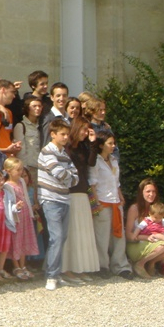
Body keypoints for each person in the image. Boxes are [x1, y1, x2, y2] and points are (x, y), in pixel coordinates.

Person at [38, 119, 79, 290]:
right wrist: (67, 176)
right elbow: (59, 173)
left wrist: (67, 176)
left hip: (64, 199)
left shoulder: (65, 154)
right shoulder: (47, 152)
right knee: (56, 237)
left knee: (61, 238)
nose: (65, 137)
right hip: (50, 199)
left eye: (67, 134)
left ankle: (52, 271)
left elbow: (76, 178)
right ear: (53, 134)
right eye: (62, 134)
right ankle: (52, 276)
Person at [88, 130, 132, 279]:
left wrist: (120, 196)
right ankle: (102, 266)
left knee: (119, 236)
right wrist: (96, 203)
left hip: (115, 201)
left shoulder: (113, 160)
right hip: (103, 202)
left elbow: (116, 181)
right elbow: (92, 183)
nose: (113, 146)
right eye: (110, 143)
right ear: (101, 145)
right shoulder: (95, 161)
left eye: (114, 143)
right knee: (102, 236)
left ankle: (121, 266)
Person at [61, 117, 100, 283]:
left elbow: (91, 163)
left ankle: (80, 267)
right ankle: (68, 269)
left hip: (83, 191)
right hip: (70, 192)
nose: (85, 133)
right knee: (72, 231)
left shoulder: (84, 147)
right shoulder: (67, 148)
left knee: (82, 231)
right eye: (83, 130)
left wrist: (93, 143)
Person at [4, 158, 39, 279]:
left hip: (24, 215)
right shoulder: (7, 186)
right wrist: (15, 208)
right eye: (17, 170)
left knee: (24, 239)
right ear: (8, 171)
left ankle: (23, 265)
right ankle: (16, 266)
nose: (20, 172)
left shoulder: (21, 182)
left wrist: (30, 213)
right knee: (16, 241)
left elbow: (26, 198)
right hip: (16, 217)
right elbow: (8, 203)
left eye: (21, 169)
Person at [13, 96, 43, 185]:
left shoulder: (41, 125)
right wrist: (24, 171)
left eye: (39, 106)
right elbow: (20, 151)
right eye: (34, 106)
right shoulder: (21, 126)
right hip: (29, 169)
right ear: (27, 108)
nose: (37, 108)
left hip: (41, 169)